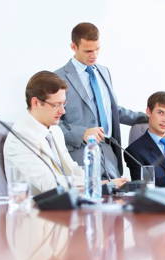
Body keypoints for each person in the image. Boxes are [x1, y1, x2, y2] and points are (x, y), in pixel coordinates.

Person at [3, 71, 126, 196]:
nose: (62, 111)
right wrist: (96, 185)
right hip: (36, 210)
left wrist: (104, 184)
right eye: (56, 105)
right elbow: (50, 184)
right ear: (36, 103)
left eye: (63, 104)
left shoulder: (54, 130)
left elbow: (72, 170)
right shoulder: (20, 139)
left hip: (66, 202)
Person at [55, 22, 147, 180]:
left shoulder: (104, 71)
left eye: (97, 49)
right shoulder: (58, 78)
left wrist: (146, 118)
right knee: (92, 198)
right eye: (88, 51)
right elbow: (52, 124)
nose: (94, 55)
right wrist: (82, 133)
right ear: (73, 47)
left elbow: (111, 110)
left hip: (109, 151)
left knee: (118, 196)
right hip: (80, 154)